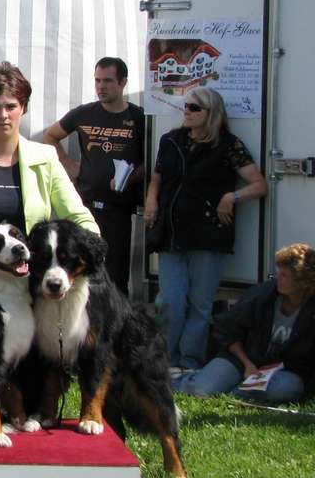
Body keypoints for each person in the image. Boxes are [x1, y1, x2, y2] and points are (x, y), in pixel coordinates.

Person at [0, 62, 98, 294]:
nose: (3, 115)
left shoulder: (46, 157)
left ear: (23, 108)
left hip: (32, 285)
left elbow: (77, 215)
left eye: (11, 106)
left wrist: (91, 248)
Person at [145, 87, 268, 372]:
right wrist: (151, 200)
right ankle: (165, 361)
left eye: (194, 108)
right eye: (186, 106)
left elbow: (259, 185)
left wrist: (231, 197)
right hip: (171, 232)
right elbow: (157, 177)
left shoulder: (228, 145)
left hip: (209, 234)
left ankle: (190, 362)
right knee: (171, 300)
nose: (186, 111)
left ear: (212, 113)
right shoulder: (170, 140)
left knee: (200, 304)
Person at [43, 57, 144, 294]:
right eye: (97, 80)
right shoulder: (84, 113)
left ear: (123, 82)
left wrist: (131, 177)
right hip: (85, 208)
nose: (101, 86)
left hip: (118, 210)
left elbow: (149, 161)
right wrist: (69, 165)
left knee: (115, 278)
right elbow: (50, 136)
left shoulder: (138, 117)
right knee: (83, 275)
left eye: (107, 81)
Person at [173, 243, 315, 403]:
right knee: (201, 389)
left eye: (284, 275)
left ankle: (234, 392)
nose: (278, 278)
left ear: (303, 281)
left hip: (282, 372)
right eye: (278, 272)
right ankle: (178, 382)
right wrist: (248, 364)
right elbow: (227, 330)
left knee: (288, 388)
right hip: (241, 360)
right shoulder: (263, 295)